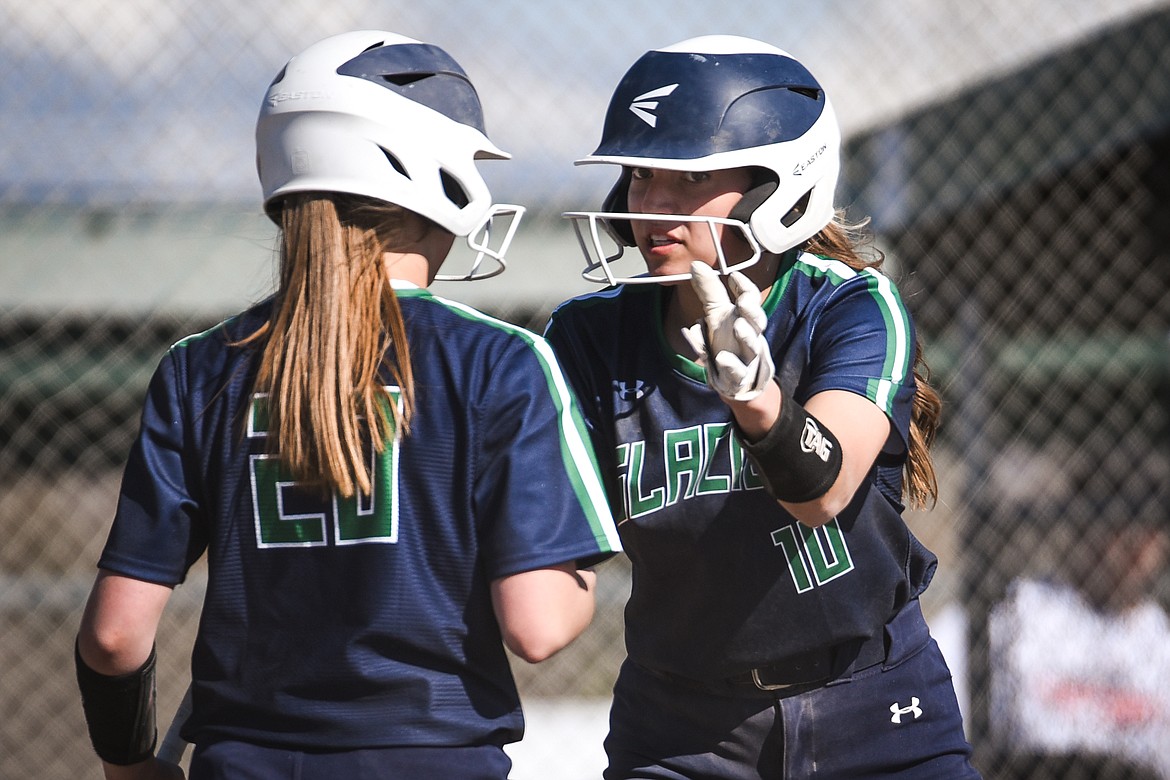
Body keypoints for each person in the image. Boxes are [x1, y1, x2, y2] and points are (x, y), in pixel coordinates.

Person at [74, 30, 620, 780]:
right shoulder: (500, 361)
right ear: (430, 170)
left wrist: (128, 767)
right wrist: (578, 560)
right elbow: (541, 625)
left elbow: (113, 637)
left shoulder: (199, 369)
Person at [545, 35, 979, 778]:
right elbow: (553, 546)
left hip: (872, 701)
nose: (654, 207)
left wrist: (759, 401)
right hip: (682, 728)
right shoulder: (587, 338)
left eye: (690, 180)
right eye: (642, 177)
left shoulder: (845, 306)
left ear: (779, 186)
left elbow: (826, 490)